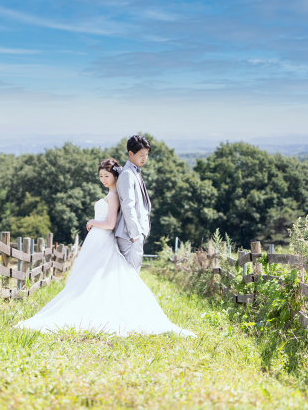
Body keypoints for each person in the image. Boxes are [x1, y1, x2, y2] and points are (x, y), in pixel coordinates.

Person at [15, 156, 194, 337]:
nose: (103, 179)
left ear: (115, 175)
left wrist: (93, 221)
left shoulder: (114, 195)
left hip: (103, 238)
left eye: (106, 175)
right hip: (96, 239)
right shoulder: (110, 194)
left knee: (98, 275)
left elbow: (110, 223)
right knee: (88, 276)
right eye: (100, 176)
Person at [114, 135, 151, 273]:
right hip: (129, 236)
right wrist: (136, 235)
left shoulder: (134, 172)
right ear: (131, 153)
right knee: (130, 275)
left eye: (146, 155)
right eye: (141, 154)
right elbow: (127, 205)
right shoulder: (128, 174)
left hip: (134, 236)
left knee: (131, 275)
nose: (144, 158)